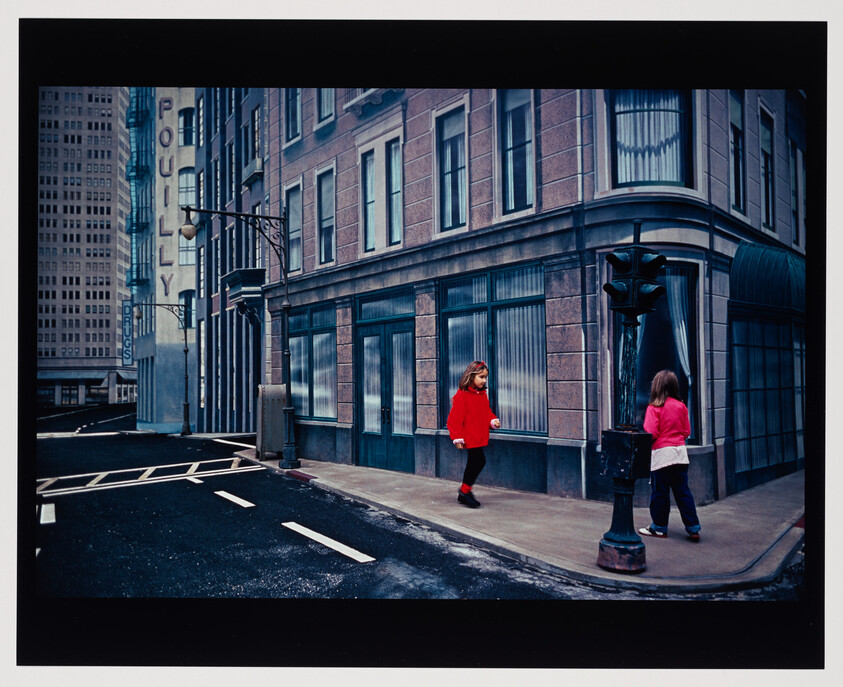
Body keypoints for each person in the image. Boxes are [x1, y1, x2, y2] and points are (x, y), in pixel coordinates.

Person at [638, 369, 701, 541]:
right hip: (680, 454)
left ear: (656, 387)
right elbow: (686, 431)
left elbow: (651, 432)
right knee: (683, 492)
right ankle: (693, 528)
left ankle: (659, 527)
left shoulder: (654, 408)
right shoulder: (681, 406)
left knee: (660, 493)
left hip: (662, 456)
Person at [447, 360, 501, 508]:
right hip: (469, 436)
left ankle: (464, 492)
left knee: (475, 462)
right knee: (478, 461)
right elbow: (454, 419)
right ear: (471, 377)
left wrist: (493, 421)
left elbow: (486, 412)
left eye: (485, 377)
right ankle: (464, 492)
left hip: (479, 434)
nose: (484, 380)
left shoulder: (482, 395)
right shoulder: (462, 396)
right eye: (481, 377)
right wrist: (456, 437)